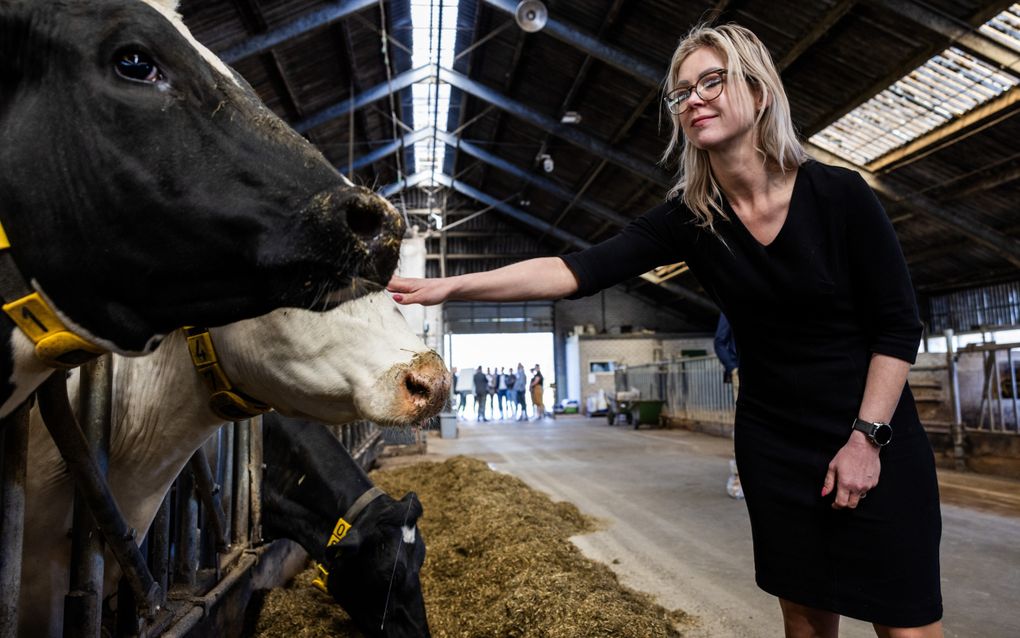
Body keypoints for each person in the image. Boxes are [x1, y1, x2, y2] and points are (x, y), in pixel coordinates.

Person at [388, 22, 941, 637]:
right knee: (806, 619)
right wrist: (451, 286)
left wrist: (866, 439)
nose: (694, 99)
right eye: (682, 93)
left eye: (712, 81)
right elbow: (576, 270)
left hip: (872, 435)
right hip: (776, 444)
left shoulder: (840, 195)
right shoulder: (692, 218)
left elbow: (897, 325)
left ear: (759, 93)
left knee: (905, 619)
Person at [713, 314, 743, 499]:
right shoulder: (732, 303)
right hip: (742, 371)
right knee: (743, 425)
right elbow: (720, 342)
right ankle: (740, 477)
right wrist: (733, 368)